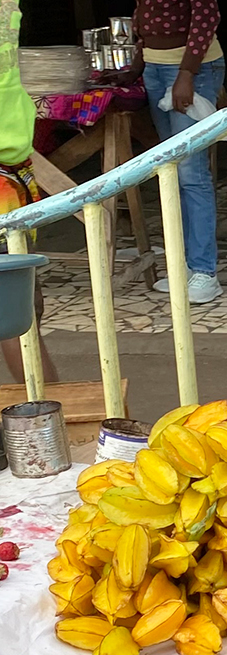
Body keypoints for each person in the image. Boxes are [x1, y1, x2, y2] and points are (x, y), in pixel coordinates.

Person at [131, 0, 224, 303]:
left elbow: (206, 17)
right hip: (155, 68)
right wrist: (139, 58)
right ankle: (185, 266)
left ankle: (204, 272)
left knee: (191, 172)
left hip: (190, 69)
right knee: (172, 169)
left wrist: (187, 72)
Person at [0, 0, 58, 385]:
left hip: (10, 175)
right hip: (8, 175)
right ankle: (55, 422)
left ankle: (53, 420)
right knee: (14, 319)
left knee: (18, 315)